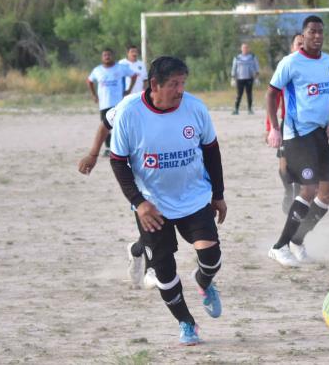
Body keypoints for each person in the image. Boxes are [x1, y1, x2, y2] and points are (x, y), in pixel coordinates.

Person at [109, 56, 227, 345]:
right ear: (154, 85)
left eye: (183, 83)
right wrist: (139, 202)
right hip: (152, 204)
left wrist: (219, 194)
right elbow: (118, 162)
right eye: (174, 84)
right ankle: (187, 323)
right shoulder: (129, 113)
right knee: (164, 269)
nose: (180, 90)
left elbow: (211, 151)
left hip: (193, 197)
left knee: (211, 258)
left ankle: (204, 281)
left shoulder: (195, 108)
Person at [266, 16, 329, 267]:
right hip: (297, 135)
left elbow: (326, 96)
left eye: (320, 31)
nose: (317, 36)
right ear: (303, 35)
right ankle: (279, 246)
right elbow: (271, 93)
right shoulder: (291, 62)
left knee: (328, 192)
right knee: (308, 189)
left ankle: (297, 240)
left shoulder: (328, 61)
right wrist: (274, 128)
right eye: (312, 32)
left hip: (320, 134)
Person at [77, 101, 158, 290]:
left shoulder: (178, 103)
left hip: (168, 176)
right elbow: (105, 124)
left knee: (163, 228)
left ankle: (135, 250)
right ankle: (151, 271)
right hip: (141, 176)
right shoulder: (129, 105)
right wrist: (93, 155)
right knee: (154, 229)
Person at [265, 33, 304, 214]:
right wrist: (271, 128)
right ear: (292, 47)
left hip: (307, 128)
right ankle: (289, 190)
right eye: (298, 44)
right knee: (283, 169)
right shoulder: (286, 67)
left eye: (304, 44)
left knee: (302, 166)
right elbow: (273, 99)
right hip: (286, 125)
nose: (301, 47)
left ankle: (298, 195)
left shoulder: (312, 69)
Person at [87, 48, 137, 156]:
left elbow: (134, 75)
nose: (107, 57)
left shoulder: (120, 68)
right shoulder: (97, 70)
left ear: (113, 56)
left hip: (118, 103)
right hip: (104, 103)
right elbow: (89, 81)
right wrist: (94, 95)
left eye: (109, 54)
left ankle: (122, 148)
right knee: (105, 126)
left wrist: (128, 90)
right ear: (102, 57)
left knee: (119, 126)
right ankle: (108, 148)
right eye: (105, 55)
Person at [230, 42, 260, 115]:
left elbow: (256, 67)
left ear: (248, 49)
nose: (245, 49)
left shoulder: (252, 57)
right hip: (240, 79)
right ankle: (236, 109)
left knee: (249, 94)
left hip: (249, 78)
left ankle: (250, 109)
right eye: (243, 48)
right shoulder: (237, 58)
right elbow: (234, 68)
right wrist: (233, 78)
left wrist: (257, 78)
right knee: (239, 94)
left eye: (246, 47)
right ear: (241, 49)